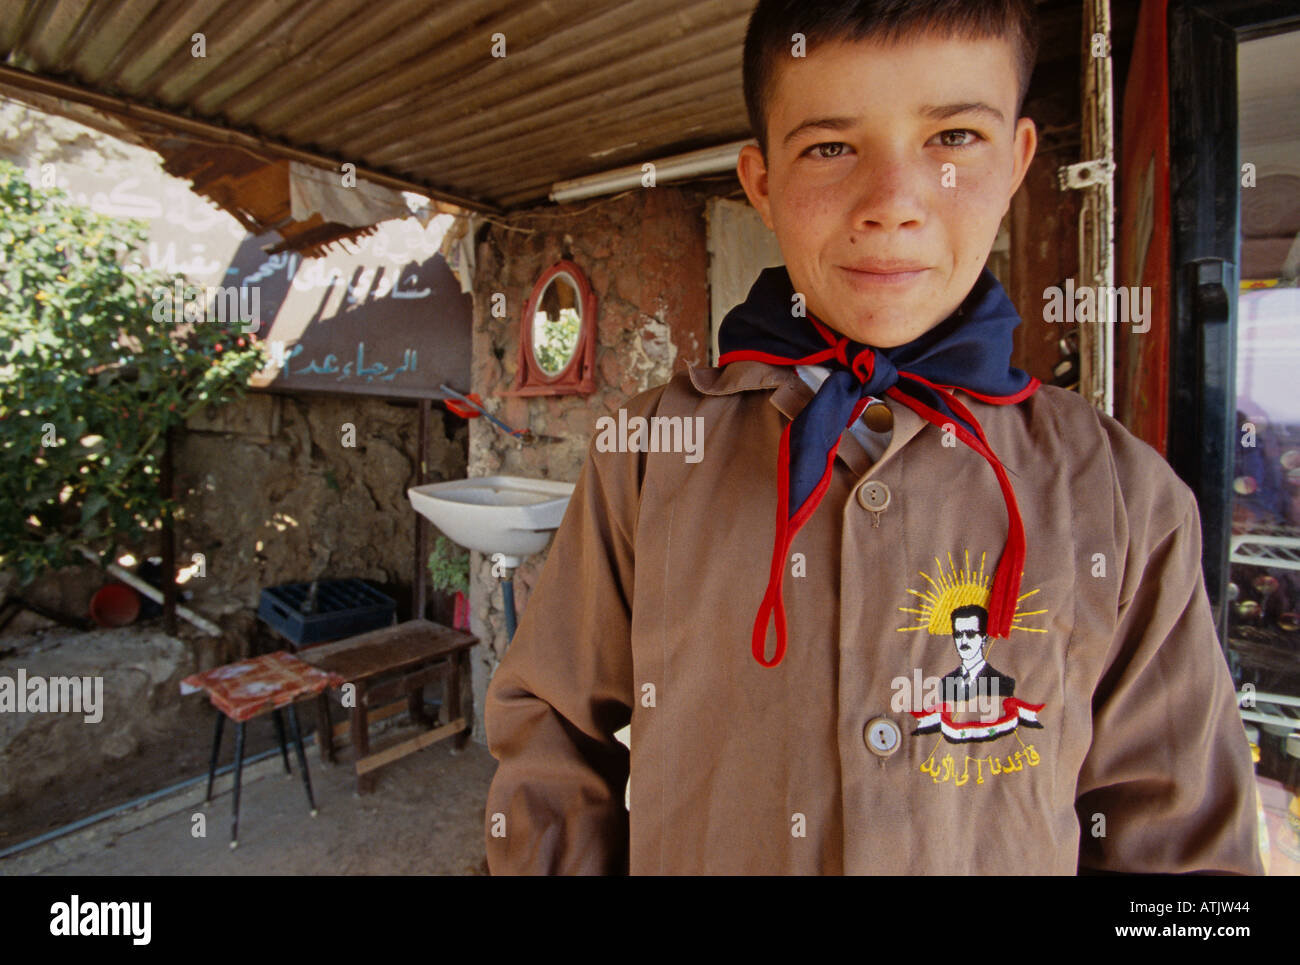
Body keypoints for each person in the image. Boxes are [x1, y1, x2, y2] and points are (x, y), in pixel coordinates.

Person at [482, 0, 1263, 874]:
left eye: (955, 137)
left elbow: (1189, 853)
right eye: (829, 147)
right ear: (762, 182)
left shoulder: (1124, 498)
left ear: (1017, 162)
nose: (893, 204)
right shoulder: (649, 455)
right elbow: (548, 726)